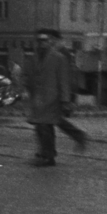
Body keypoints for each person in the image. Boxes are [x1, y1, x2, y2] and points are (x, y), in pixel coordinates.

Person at [18, 28, 86, 166]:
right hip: (38, 98)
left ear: (50, 41)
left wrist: (66, 100)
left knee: (44, 126)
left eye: (44, 40)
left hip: (52, 98)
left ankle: (47, 156)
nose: (41, 43)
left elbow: (64, 80)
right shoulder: (33, 57)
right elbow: (28, 75)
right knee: (43, 126)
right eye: (39, 40)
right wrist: (25, 89)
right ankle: (46, 153)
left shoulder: (59, 57)